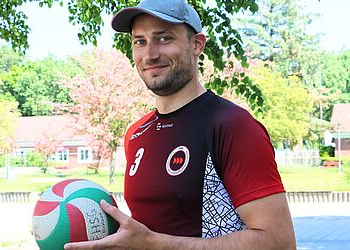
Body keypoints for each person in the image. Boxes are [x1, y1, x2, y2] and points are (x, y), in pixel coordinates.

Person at [65, 0, 296, 249]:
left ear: (196, 44)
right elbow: (149, 232)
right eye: (139, 41)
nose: (150, 54)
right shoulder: (136, 134)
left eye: (163, 38)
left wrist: (153, 244)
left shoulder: (232, 125)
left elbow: (278, 242)